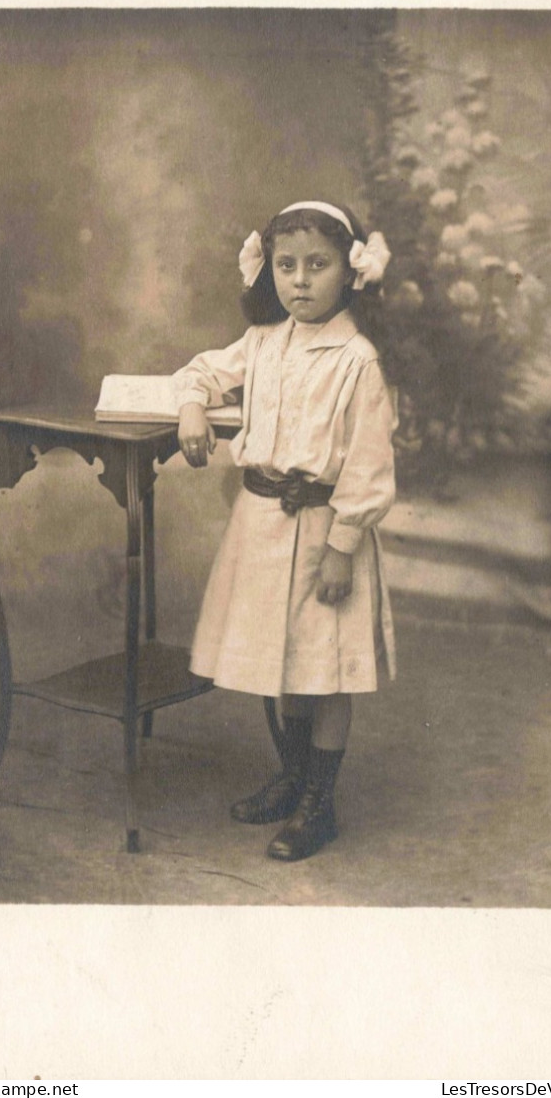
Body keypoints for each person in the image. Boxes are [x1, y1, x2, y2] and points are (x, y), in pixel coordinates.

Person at [172, 200, 398, 862]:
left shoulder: (357, 360)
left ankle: (318, 805)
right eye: (285, 265)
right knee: (286, 666)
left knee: (322, 672)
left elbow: (368, 462)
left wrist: (343, 548)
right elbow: (202, 371)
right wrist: (192, 405)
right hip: (264, 529)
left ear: (352, 273)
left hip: (328, 531)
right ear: (266, 269)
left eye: (318, 266)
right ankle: (293, 778)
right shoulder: (264, 343)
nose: (299, 281)